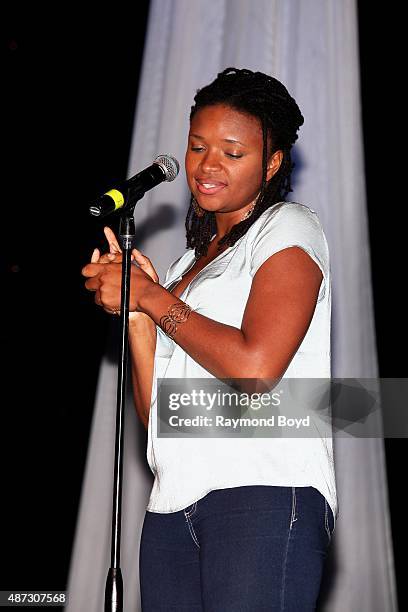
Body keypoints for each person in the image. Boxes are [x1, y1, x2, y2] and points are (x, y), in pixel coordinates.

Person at [82, 67, 337, 611]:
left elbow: (256, 369)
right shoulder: (186, 269)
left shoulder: (288, 227)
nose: (207, 165)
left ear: (271, 162)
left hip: (263, 496)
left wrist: (153, 298)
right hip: (173, 505)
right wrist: (136, 312)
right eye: (197, 147)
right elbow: (162, 417)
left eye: (231, 151)